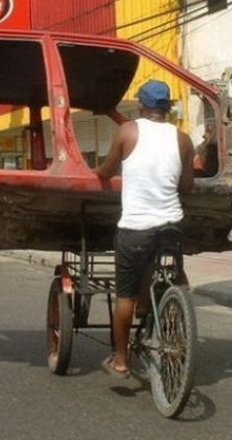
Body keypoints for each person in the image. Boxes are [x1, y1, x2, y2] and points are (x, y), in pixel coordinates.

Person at [93, 79, 194, 378]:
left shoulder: (127, 131)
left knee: (124, 295)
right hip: (171, 225)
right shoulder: (183, 139)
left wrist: (94, 173)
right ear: (167, 107)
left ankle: (121, 360)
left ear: (142, 105)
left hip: (136, 227)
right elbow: (186, 186)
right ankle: (167, 306)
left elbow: (107, 171)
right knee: (163, 263)